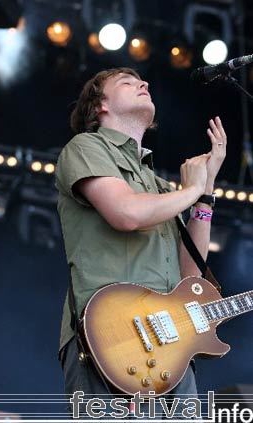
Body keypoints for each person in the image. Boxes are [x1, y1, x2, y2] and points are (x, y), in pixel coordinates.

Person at [55, 67, 227, 419]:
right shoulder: (86, 147)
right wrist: (191, 190)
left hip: (172, 348)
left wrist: (205, 196)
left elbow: (190, 276)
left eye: (142, 81)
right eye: (127, 82)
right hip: (111, 341)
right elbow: (126, 213)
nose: (144, 84)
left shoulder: (160, 186)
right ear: (100, 105)